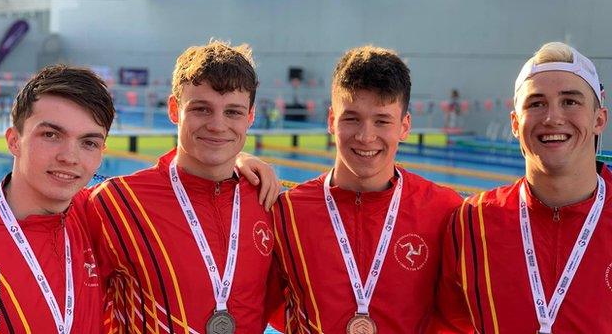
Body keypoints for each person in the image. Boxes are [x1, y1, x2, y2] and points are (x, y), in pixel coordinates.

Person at [86, 40, 282, 333]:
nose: (217, 125)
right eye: (202, 109)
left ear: (251, 116)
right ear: (174, 109)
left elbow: (283, 311)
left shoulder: (269, 203)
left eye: (233, 112)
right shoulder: (114, 204)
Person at [271, 45, 468, 333]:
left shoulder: (444, 210)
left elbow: (458, 318)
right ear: (330, 120)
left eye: (382, 121)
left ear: (404, 126)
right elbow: (260, 306)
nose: (366, 136)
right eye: (351, 118)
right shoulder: (287, 212)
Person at [437, 42, 611, 333]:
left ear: (599, 119)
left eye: (570, 101)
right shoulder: (472, 222)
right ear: (516, 124)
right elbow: (447, 324)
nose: (552, 117)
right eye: (536, 103)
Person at [0, 65, 114, 333]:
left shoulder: (104, 222)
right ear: (13, 141)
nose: (69, 157)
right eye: (51, 135)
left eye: (88, 142)